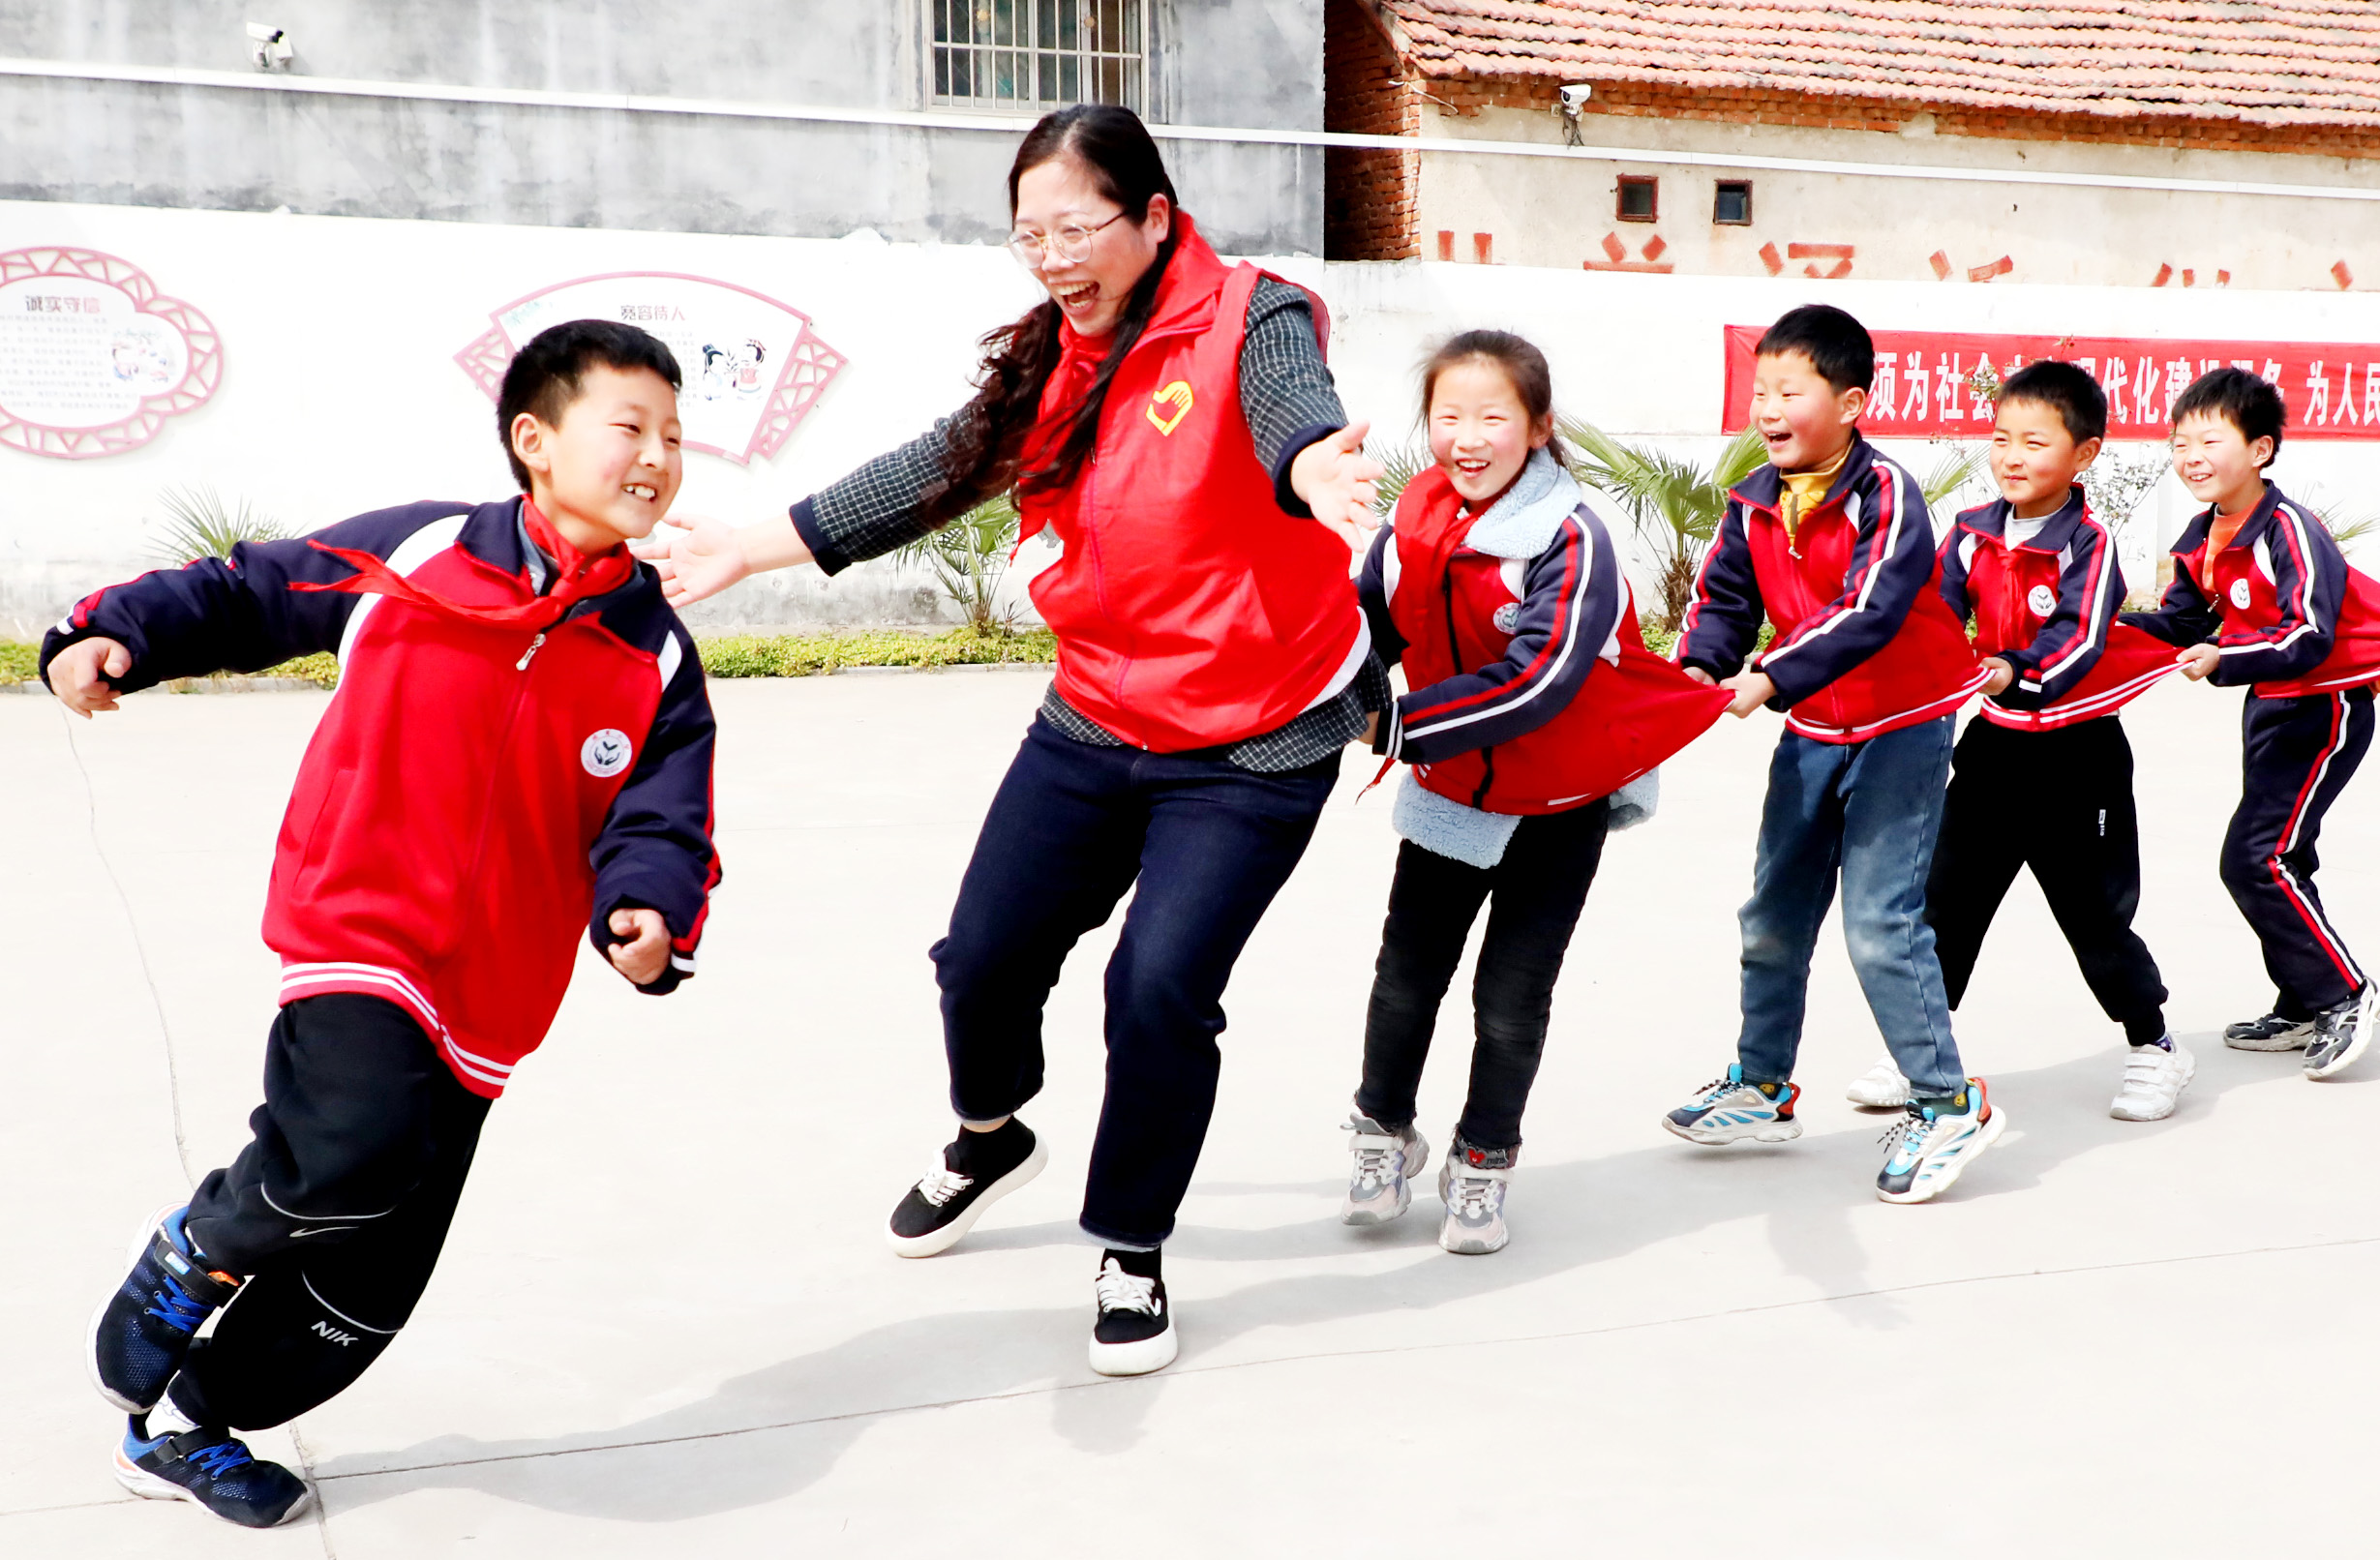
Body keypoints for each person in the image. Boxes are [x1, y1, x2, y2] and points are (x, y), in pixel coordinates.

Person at [637, 105, 1382, 1376]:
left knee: (1153, 992)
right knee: (979, 959)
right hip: (1095, 714)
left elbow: (1291, 412)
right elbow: (942, 465)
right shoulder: (1052, 362)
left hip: (1251, 742)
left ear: (1153, 219)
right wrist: (753, 543)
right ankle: (991, 1135)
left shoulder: (1252, 317)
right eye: (1026, 231)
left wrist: (1312, 471)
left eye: (1073, 227)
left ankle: (1130, 1246)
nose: (1047, 255)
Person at [50, 320, 721, 1528]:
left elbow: (663, 814)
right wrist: (120, 632)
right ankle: (200, 1241)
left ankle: (186, 1426)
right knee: (350, 1145)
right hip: (358, 921)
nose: (658, 457)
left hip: (495, 990)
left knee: (368, 1286)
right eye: (629, 426)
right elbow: (249, 589)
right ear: (535, 440)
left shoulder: (652, 649)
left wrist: (647, 909)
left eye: (674, 435)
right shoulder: (419, 550)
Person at [1341, 331, 1727, 1254]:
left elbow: (1539, 677)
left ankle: (1482, 1162)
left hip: (1560, 802)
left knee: (1510, 999)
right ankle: (1380, 1135)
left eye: (1491, 417)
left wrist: (1393, 727)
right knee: (1403, 984)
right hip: (1450, 796)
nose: (1465, 438)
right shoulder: (1411, 525)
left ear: (1538, 427)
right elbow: (1366, 630)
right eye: (1447, 417)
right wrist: (1333, 698)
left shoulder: (1569, 537)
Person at [1662, 303, 2004, 1204]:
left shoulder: (1885, 496)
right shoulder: (1753, 501)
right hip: (1815, 727)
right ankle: (1762, 1086)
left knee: (1879, 925)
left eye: (1790, 390)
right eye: (1759, 389)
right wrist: (1697, 667)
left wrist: (1767, 678)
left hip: (1902, 723)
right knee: (1770, 915)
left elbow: (1872, 610)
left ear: (1851, 402)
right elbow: (1725, 601)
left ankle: (1946, 1103)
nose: (1767, 407)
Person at [1846, 361, 2187, 1122]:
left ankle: (2155, 1044)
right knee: (1943, 906)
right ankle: (1919, 1051)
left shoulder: (2087, 547)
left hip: (2077, 759)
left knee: (2094, 916)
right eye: (2000, 439)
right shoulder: (1969, 534)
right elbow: (1931, 619)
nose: (2010, 457)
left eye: (2034, 442)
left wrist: (2013, 669)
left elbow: (2079, 639)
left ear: (2083, 455)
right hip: (1992, 751)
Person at [2124, 367, 2380, 1079]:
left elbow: (2308, 631)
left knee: (2256, 858)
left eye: (2210, 439)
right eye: (2179, 442)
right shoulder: (2201, 533)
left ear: (2260, 449)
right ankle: (2301, 1001)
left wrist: (2223, 657)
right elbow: (2180, 621)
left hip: (2324, 703)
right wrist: (2105, 619)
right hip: (2271, 704)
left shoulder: (2289, 528)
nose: (2191, 456)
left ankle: (2344, 995)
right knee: (2280, 856)